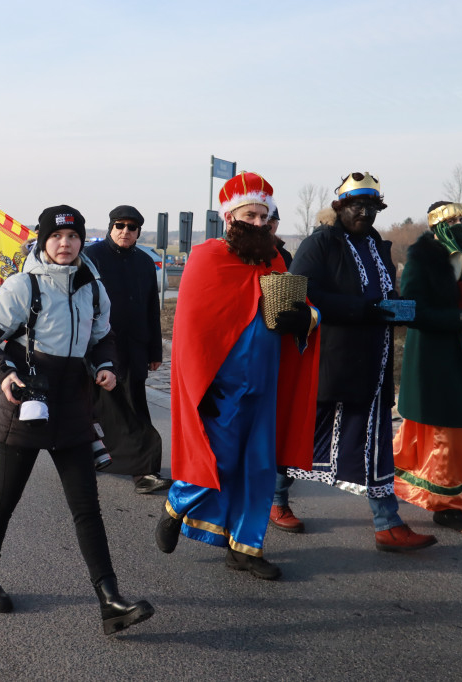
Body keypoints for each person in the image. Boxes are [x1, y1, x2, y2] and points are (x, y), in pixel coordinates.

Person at [0, 204, 154, 635]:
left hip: (73, 403)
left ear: (82, 241)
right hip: (27, 400)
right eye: (56, 237)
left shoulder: (92, 285)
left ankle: (110, 601)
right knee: (6, 498)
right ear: (44, 241)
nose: (65, 244)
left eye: (72, 237)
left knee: (87, 507)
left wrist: (104, 364)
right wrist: (4, 372)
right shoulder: (22, 286)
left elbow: (103, 336)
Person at [156, 172, 320, 581]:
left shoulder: (275, 260)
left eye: (265, 216)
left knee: (259, 467)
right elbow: (191, 331)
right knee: (222, 461)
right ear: (230, 216)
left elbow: (302, 311)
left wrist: (307, 317)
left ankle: (246, 548)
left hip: (265, 383)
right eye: (252, 214)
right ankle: (178, 503)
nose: (261, 223)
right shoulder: (206, 258)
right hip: (220, 386)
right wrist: (199, 386)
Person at [287, 172, 437, 552]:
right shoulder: (320, 243)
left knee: (374, 442)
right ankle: (274, 500)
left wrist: (397, 307)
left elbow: (383, 290)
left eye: (372, 207)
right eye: (358, 205)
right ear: (340, 207)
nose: (365, 213)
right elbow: (300, 290)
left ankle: (387, 523)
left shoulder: (375, 244)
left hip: (375, 360)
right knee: (304, 438)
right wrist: (363, 309)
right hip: (334, 360)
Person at [392, 201, 462, 534]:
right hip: (433, 355)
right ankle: (449, 505)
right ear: (436, 224)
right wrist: (460, 319)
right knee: (443, 430)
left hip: (460, 349)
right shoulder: (422, 258)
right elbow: (412, 310)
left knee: (447, 429)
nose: (459, 223)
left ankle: (402, 482)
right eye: (452, 219)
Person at [83, 205, 170, 495]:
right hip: (98, 349)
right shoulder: (92, 258)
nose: (125, 231)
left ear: (138, 232)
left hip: (134, 349)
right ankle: (94, 457)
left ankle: (143, 470)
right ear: (111, 226)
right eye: (119, 225)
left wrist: (155, 352)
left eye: (131, 228)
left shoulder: (145, 263)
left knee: (134, 408)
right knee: (97, 409)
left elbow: (151, 309)